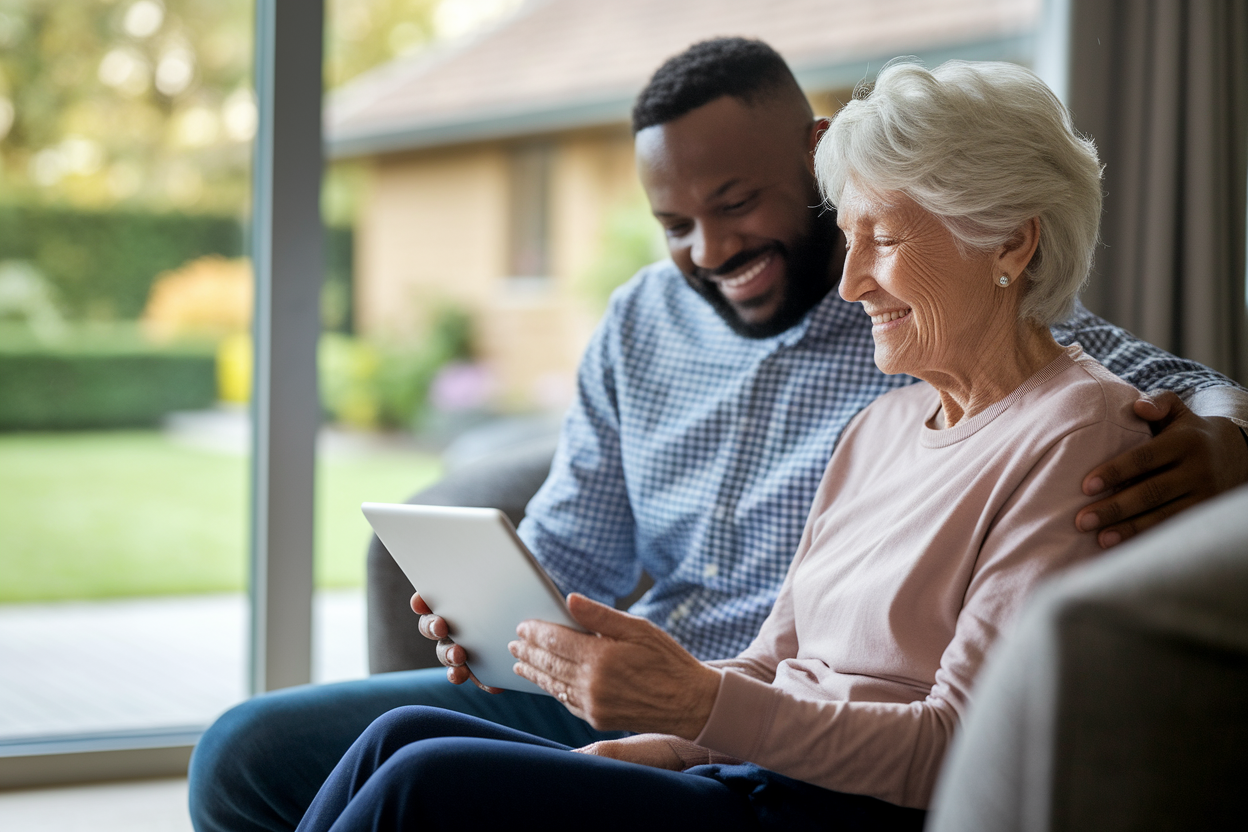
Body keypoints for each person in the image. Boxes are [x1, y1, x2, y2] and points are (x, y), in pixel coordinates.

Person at [188, 39, 1248, 832]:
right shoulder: (873, 414)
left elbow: (955, 740)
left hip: (812, 772)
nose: (850, 279)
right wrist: (517, 628)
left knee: (423, 783)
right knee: (373, 741)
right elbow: (757, 648)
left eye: (740, 203)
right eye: (677, 224)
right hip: (699, 706)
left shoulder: (1075, 419)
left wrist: (1226, 437)